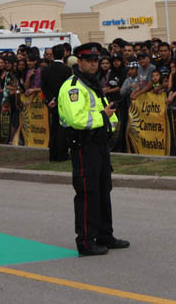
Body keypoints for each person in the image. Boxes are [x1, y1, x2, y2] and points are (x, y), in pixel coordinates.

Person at [58, 43, 129, 257]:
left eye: (96, 60)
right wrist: (104, 117)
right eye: (89, 60)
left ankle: (105, 234)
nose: (93, 64)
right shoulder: (73, 87)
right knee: (88, 192)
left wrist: (110, 124)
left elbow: (106, 111)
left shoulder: (93, 84)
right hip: (84, 145)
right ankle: (86, 241)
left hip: (99, 144)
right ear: (79, 62)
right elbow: (77, 119)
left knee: (104, 189)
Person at [42, 44, 72, 161]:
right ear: (64, 54)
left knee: (54, 128)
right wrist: (56, 99)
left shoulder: (46, 69)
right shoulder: (66, 69)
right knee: (62, 129)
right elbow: (66, 87)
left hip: (52, 102)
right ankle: (61, 153)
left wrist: (51, 99)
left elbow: (44, 86)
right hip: (62, 102)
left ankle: (53, 153)